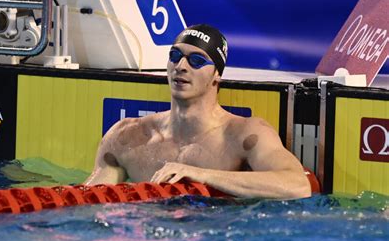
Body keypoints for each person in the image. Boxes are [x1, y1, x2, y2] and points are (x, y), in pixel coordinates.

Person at [85, 24, 311, 199]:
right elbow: (88, 201)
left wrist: (202, 175)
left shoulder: (243, 134)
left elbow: (297, 185)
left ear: (217, 75)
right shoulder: (127, 136)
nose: (181, 66)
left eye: (196, 60)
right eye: (175, 56)